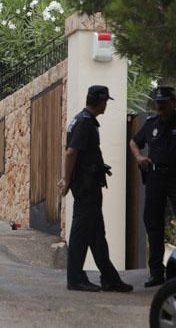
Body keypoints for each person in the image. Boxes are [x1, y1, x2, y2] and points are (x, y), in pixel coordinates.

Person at [58, 85, 133, 293]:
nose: (106, 104)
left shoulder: (81, 119)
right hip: (86, 186)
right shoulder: (85, 123)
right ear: (100, 102)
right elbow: (71, 153)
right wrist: (66, 180)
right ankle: (75, 278)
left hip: (87, 184)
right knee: (82, 233)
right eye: (106, 101)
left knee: (97, 233)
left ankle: (109, 278)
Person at [129, 86, 176, 288]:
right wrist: (139, 157)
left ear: (173, 102)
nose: (161, 108)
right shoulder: (151, 124)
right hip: (155, 177)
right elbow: (134, 141)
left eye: (164, 104)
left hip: (175, 178)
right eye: (159, 104)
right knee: (153, 224)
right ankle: (156, 273)